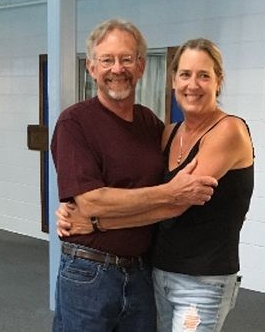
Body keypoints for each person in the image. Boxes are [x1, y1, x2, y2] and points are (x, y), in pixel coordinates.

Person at [57, 38, 254, 332]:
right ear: (173, 80)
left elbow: (174, 204)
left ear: (218, 81)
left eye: (203, 75)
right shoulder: (168, 133)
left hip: (201, 281)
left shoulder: (228, 130)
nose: (193, 85)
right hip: (157, 272)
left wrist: (95, 222)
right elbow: (145, 190)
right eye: (185, 74)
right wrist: (76, 204)